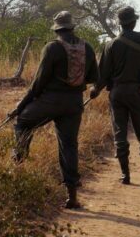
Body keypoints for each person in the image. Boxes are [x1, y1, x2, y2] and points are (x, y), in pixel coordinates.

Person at [9, 11, 99, 209]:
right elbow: (93, 76)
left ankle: (19, 160)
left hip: (50, 101)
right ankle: (72, 196)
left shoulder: (52, 48)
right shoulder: (88, 48)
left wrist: (20, 106)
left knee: (23, 122)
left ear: (57, 28)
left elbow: (38, 84)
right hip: (74, 103)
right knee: (69, 145)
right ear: (72, 27)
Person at [90, 6, 140, 185]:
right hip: (136, 92)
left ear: (120, 24)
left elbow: (103, 73)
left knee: (120, 134)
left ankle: (126, 176)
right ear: (134, 21)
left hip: (117, 93)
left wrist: (96, 89)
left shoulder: (110, 44)